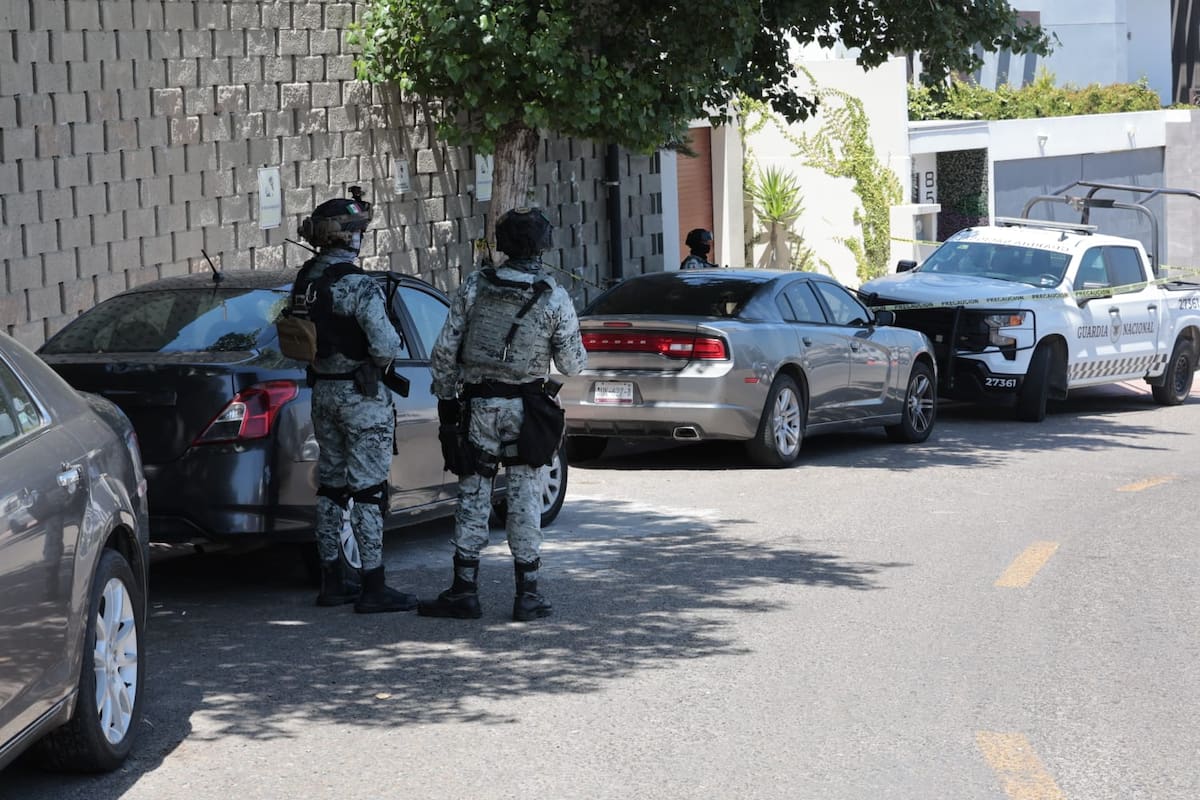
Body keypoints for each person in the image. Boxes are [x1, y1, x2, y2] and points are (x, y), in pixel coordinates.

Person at [420, 207, 587, 622]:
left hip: (478, 406)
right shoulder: (553, 294)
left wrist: (446, 400)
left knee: (474, 493)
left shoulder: (476, 285)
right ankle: (527, 595)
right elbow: (573, 365)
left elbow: (444, 352)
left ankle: (464, 590)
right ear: (542, 246)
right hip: (528, 410)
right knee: (526, 496)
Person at [293, 188, 417, 614]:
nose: (360, 237)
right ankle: (373, 584)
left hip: (323, 391)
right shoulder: (357, 284)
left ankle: (332, 579)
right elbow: (385, 346)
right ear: (346, 237)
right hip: (361, 395)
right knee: (367, 491)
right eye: (357, 230)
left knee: (330, 487)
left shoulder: (305, 279)